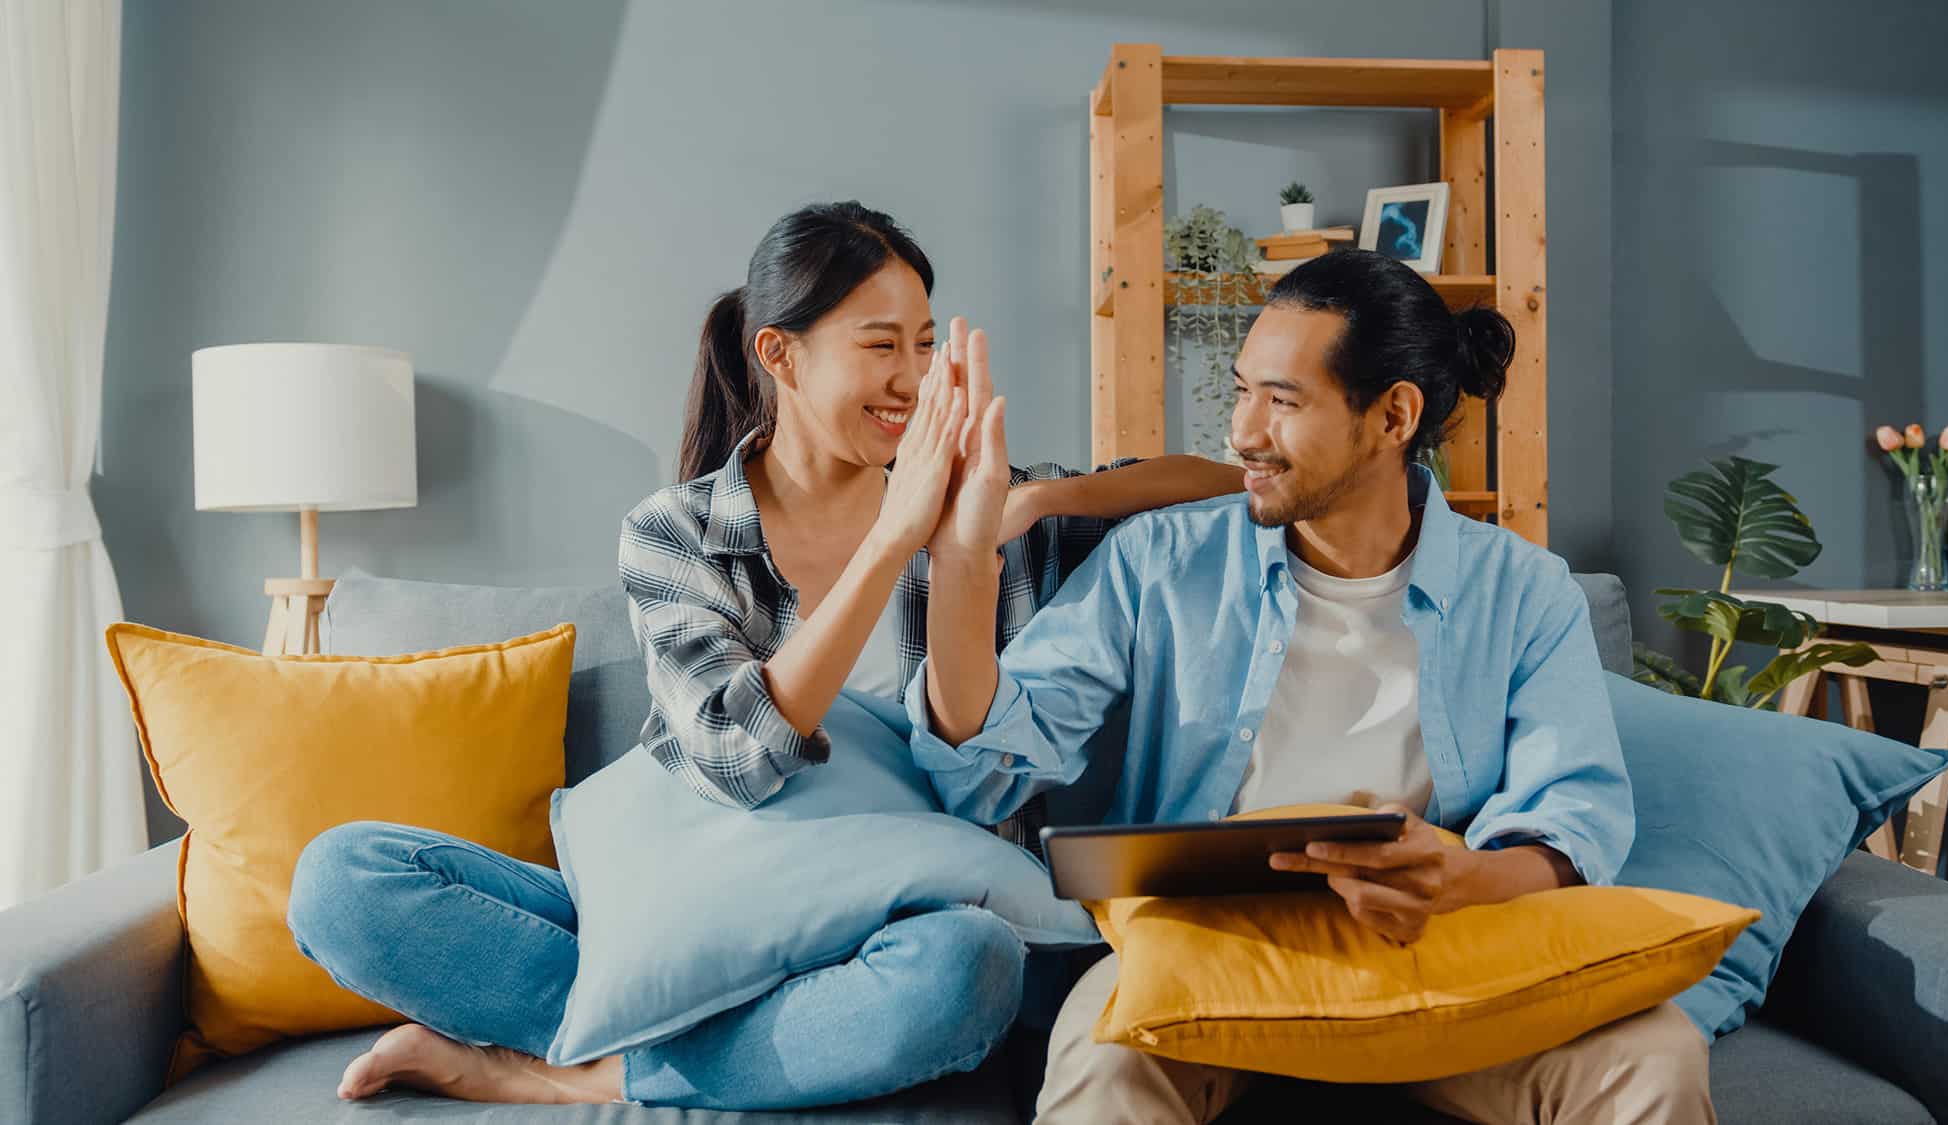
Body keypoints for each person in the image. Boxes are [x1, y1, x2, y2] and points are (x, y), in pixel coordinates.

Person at [284, 201, 1242, 1109]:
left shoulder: (982, 509)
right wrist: (891, 543)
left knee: (972, 967)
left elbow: (1220, 485)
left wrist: (1035, 503)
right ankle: (674, 1045)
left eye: (922, 343)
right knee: (344, 878)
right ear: (779, 353)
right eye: (879, 346)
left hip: (894, 927)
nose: (911, 377)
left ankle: (577, 1072)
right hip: (693, 907)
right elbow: (737, 759)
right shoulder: (679, 532)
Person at [909, 249, 1712, 1124]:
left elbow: (1574, 823)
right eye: (1242, 389)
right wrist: (961, 565)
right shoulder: (1162, 562)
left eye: (1282, 401)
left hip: (1441, 954)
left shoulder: (1524, 590)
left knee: (1656, 1053)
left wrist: (1459, 877)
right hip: (1207, 955)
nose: (1242, 432)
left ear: (1394, 414)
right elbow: (985, 770)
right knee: (1104, 1062)